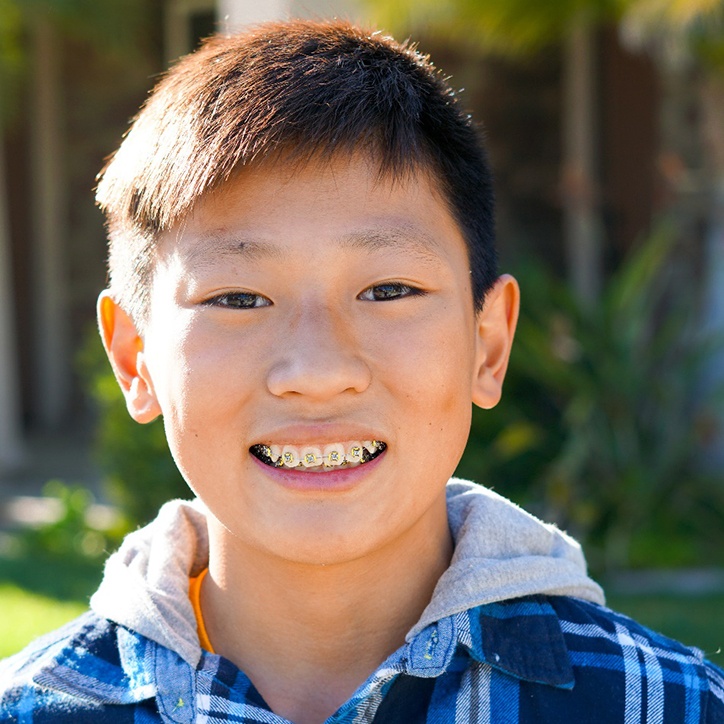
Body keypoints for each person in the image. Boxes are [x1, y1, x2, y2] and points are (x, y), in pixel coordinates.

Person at [1, 19, 722, 724]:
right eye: (238, 298)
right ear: (135, 358)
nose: (317, 371)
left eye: (387, 291)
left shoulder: (671, 705)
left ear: (489, 345)